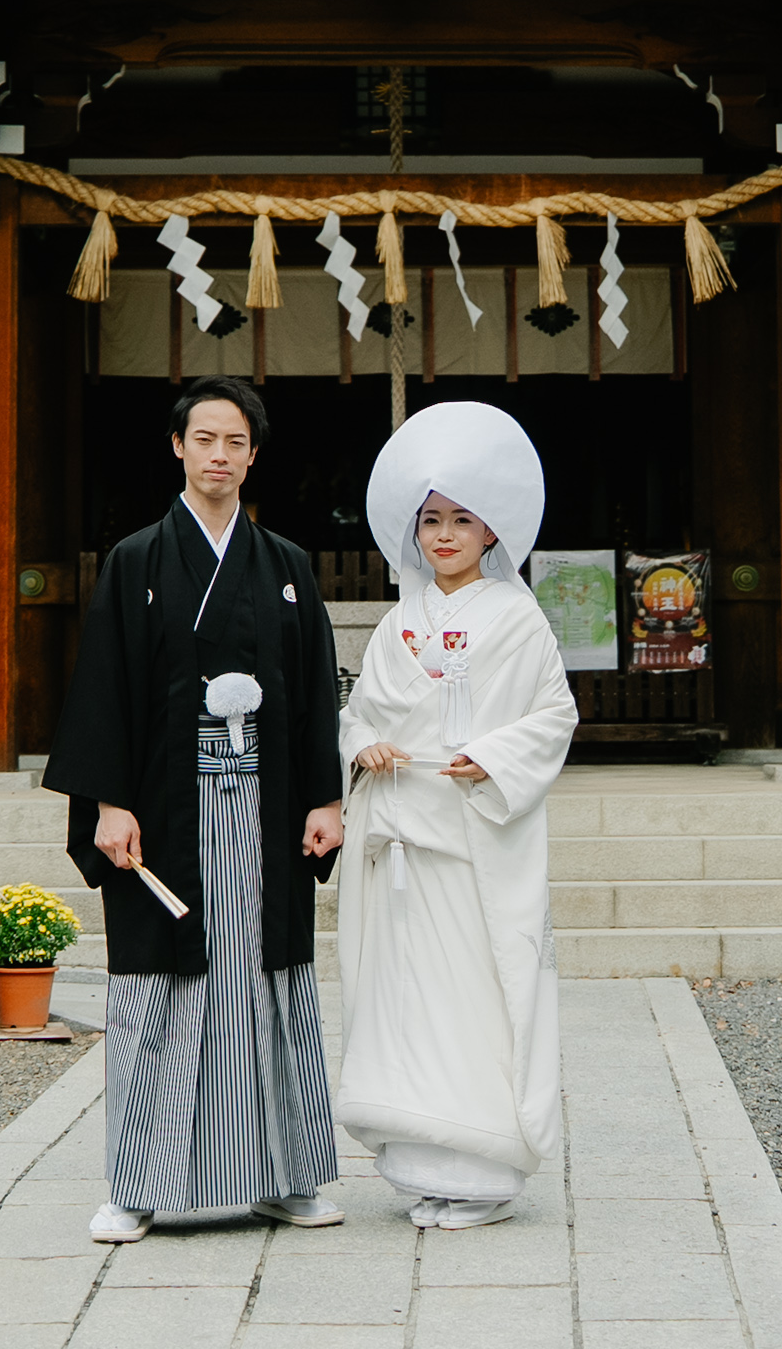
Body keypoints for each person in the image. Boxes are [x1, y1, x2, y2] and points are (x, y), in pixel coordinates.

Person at [45, 376, 348, 1245]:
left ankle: (284, 1175)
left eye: (235, 441)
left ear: (255, 455)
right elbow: (103, 687)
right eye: (204, 439)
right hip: (166, 812)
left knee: (266, 979)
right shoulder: (137, 560)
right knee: (161, 983)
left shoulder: (286, 566)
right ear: (177, 447)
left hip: (266, 805)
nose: (219, 455)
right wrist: (108, 803)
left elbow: (314, 690)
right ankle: (136, 1185)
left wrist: (324, 796)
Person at [334, 399, 580, 1231]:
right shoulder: (398, 622)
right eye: (431, 519)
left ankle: (481, 1170)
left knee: (473, 996)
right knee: (406, 999)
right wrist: (364, 743)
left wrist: (497, 757)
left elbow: (553, 717)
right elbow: (359, 709)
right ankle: (418, 1163)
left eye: (462, 520)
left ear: (490, 534)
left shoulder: (517, 617)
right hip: (400, 835)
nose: (443, 535)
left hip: (471, 837)